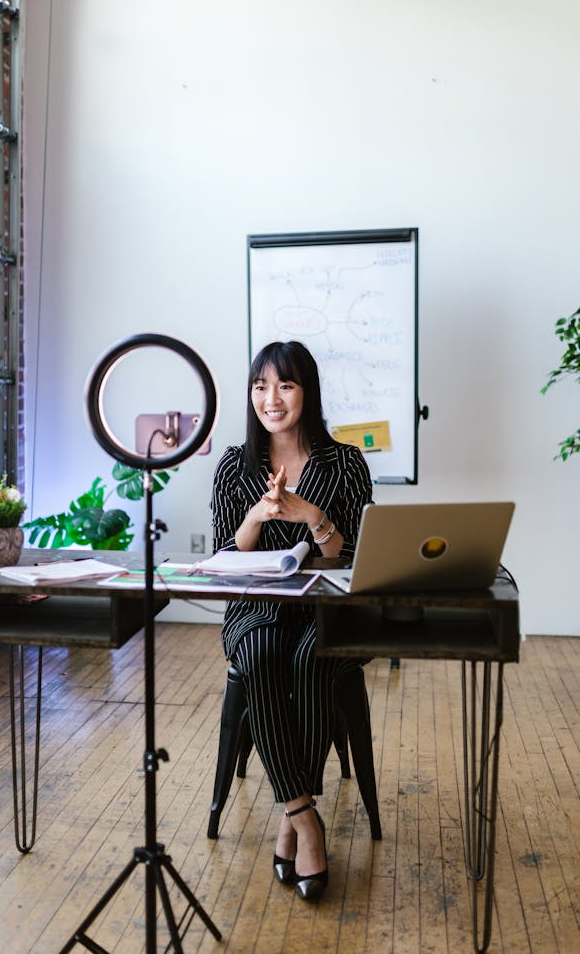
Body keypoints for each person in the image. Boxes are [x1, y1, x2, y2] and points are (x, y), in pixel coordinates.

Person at [210, 340, 373, 901]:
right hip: (255, 607)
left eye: (284, 385)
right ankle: (306, 818)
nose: (270, 398)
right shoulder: (236, 465)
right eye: (260, 386)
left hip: (325, 608)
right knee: (259, 653)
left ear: (307, 391)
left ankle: (288, 817)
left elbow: (353, 559)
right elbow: (224, 561)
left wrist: (311, 514)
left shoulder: (345, 462)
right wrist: (258, 515)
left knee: (309, 655)